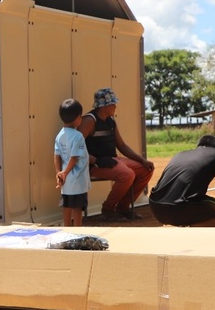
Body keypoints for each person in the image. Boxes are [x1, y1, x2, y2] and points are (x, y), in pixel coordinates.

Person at [77, 87, 154, 221]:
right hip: (94, 165)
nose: (115, 106)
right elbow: (76, 147)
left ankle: (123, 207)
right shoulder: (89, 121)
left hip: (112, 160)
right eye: (113, 104)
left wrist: (142, 160)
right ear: (104, 106)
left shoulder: (111, 121)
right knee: (127, 174)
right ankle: (108, 209)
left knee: (145, 170)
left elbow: (122, 146)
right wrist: (95, 160)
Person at [148, 135, 215, 227]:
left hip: (156, 208)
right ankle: (193, 228)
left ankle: (184, 224)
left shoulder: (180, 154)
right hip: (181, 208)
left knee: (190, 201)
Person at [54, 98, 91, 226]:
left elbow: (57, 155)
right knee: (77, 207)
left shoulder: (59, 135)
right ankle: (77, 230)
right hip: (78, 180)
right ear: (77, 118)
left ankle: (66, 228)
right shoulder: (78, 136)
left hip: (66, 181)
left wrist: (59, 172)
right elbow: (74, 157)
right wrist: (65, 172)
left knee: (66, 205)